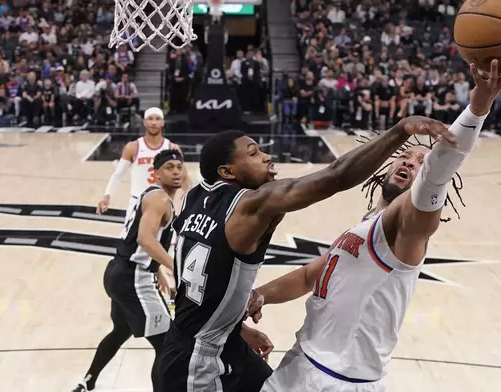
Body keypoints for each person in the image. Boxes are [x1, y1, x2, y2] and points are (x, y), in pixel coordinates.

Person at [247, 59, 501, 392]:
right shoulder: (366, 225)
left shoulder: (407, 227)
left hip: (342, 381)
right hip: (301, 362)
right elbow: (311, 275)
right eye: (406, 157)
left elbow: (438, 171)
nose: (411, 162)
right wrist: (260, 295)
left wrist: (479, 104)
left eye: (420, 164)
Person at [158, 107, 455, 389]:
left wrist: (234, 325)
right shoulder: (251, 205)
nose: (266, 156)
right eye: (253, 154)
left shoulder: (192, 199)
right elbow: (336, 176)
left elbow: (198, 282)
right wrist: (400, 131)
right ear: (228, 172)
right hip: (198, 361)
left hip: (208, 339)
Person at [71, 149, 184, 392]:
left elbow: (138, 238)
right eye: (169, 167)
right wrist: (175, 268)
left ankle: (88, 380)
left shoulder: (154, 196)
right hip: (133, 277)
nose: (176, 171)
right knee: (167, 344)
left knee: (121, 329)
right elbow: (144, 238)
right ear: (156, 173)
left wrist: (157, 270)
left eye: (179, 166)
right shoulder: (160, 199)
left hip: (118, 272)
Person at [96, 107, 191, 237]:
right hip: (137, 202)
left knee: (160, 244)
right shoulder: (133, 147)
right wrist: (107, 196)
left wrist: (188, 195)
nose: (153, 122)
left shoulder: (172, 148)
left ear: (162, 122)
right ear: (144, 122)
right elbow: (118, 175)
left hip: (163, 203)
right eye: (150, 119)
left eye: (157, 119)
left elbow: (184, 176)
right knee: (127, 241)